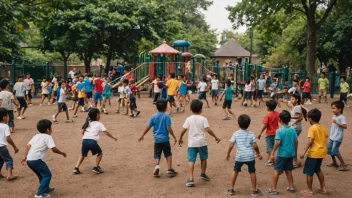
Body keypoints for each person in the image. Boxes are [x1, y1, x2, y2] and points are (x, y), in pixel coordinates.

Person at [179, 100, 221, 187]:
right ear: (201, 110)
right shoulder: (203, 119)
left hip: (192, 143)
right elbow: (207, 130)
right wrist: (215, 137)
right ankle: (202, 173)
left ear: (190, 109)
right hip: (202, 143)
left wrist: (180, 137)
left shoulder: (189, 119)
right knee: (204, 158)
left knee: (191, 160)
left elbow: (184, 129)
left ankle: (190, 178)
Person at [22, 119, 66, 197]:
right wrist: (62, 153)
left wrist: (25, 156)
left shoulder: (36, 136)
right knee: (47, 174)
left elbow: (28, 145)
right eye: (50, 128)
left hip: (30, 160)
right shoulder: (48, 137)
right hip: (37, 160)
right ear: (47, 130)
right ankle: (40, 193)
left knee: (41, 174)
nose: (51, 129)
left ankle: (45, 188)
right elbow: (54, 149)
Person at [138, 99, 178, 177]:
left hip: (157, 140)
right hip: (165, 139)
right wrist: (174, 136)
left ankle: (157, 165)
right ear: (166, 107)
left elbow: (148, 127)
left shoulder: (153, 116)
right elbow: (168, 128)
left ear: (156, 107)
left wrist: (142, 135)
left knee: (157, 154)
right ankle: (169, 169)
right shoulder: (167, 116)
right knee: (168, 154)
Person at [226, 114, 262, 196]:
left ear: (238, 124)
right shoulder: (251, 134)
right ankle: (254, 190)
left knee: (235, 171)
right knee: (252, 172)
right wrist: (258, 153)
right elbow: (255, 146)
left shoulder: (235, 133)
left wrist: (228, 154)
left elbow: (231, 145)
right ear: (249, 124)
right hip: (250, 156)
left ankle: (231, 189)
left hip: (240, 157)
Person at [73, 108, 117, 174]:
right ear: (97, 116)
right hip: (92, 142)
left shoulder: (88, 122)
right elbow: (106, 132)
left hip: (84, 141)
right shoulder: (99, 124)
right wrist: (113, 137)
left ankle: (76, 168)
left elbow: (83, 132)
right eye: (99, 114)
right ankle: (96, 167)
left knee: (82, 154)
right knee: (100, 153)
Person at [265, 110, 298, 195]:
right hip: (290, 153)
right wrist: (295, 152)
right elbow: (296, 141)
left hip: (281, 154)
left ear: (279, 120)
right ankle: (291, 187)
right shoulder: (292, 130)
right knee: (289, 171)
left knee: (276, 170)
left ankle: (273, 189)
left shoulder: (279, 131)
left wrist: (272, 152)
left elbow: (278, 142)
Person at [299, 109, 328, 195]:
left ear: (310, 119)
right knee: (317, 169)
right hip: (321, 152)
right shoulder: (322, 127)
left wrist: (304, 152)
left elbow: (310, 140)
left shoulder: (312, 128)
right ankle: (323, 187)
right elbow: (326, 136)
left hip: (314, 153)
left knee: (309, 172)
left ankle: (309, 189)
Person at [327, 101, 348, 171]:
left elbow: (345, 126)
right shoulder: (334, 116)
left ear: (340, 109)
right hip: (332, 136)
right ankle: (334, 162)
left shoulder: (342, 117)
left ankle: (343, 164)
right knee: (329, 150)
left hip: (337, 137)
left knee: (335, 151)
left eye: (334, 108)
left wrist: (337, 123)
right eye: (332, 108)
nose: (332, 110)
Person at [257, 100, 279, 166]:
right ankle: (276, 158)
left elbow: (265, 125)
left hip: (269, 134)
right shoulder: (277, 113)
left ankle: (271, 160)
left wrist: (260, 133)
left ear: (268, 107)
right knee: (276, 147)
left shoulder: (267, 115)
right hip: (277, 133)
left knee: (269, 147)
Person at [286, 93, 306, 167]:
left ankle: (294, 161)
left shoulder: (297, 107)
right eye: (291, 99)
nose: (291, 100)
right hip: (294, 127)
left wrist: (290, 118)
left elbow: (300, 117)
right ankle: (294, 160)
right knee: (293, 142)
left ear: (297, 100)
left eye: (293, 99)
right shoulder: (295, 107)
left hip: (295, 127)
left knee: (293, 143)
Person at [0, 107, 19, 181]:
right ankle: (10, 175)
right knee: (9, 159)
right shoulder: (5, 126)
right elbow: (8, 138)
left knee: (1, 160)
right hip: (2, 147)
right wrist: (15, 147)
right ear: (4, 117)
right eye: (7, 115)